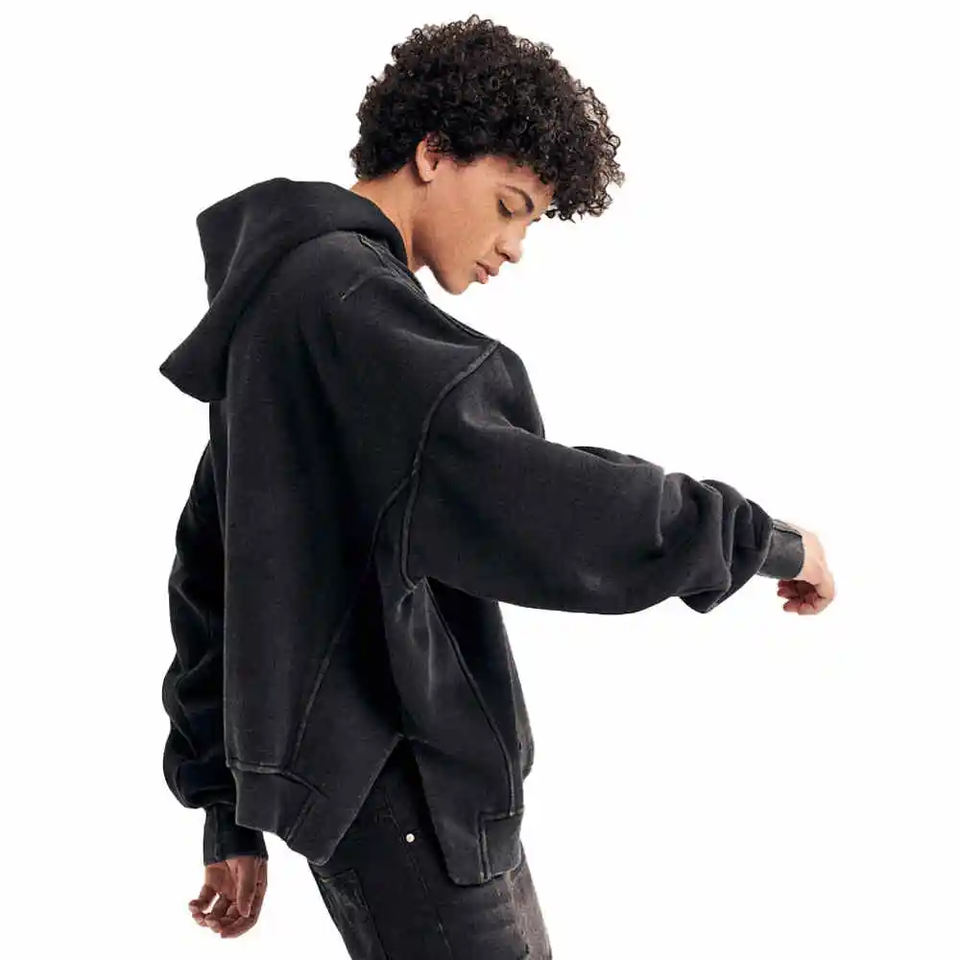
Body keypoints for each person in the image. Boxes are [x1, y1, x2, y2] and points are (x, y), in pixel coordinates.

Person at [158, 14, 836, 958]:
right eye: (511, 205)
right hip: (401, 776)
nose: (513, 246)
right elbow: (538, 500)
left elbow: (213, 558)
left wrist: (225, 808)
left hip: (385, 785)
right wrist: (763, 541)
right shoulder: (346, 301)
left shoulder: (295, 300)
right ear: (433, 153)